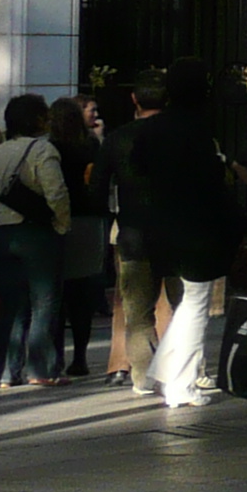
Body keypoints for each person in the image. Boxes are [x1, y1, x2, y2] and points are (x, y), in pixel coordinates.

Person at [125, 59, 238, 409]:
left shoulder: (152, 129)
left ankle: (167, 371)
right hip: (196, 227)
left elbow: (137, 170)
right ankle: (181, 384)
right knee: (194, 303)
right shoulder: (198, 128)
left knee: (190, 301)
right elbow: (211, 181)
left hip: (159, 225)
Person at [0, 93, 70, 387]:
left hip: (0, 234)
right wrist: (61, 224)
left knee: (11, 304)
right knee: (43, 302)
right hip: (35, 233)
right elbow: (55, 191)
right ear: (38, 120)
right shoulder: (43, 150)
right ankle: (40, 368)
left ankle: (6, 371)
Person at [104, 74, 169, 390]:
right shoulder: (183, 135)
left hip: (133, 233)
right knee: (184, 307)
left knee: (137, 313)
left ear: (134, 100)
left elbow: (96, 188)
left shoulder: (117, 138)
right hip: (177, 233)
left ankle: (143, 377)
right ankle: (181, 370)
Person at [48, 96, 109, 380]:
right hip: (89, 218)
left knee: (56, 294)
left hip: (58, 220)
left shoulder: (49, 147)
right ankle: (81, 357)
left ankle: (56, 356)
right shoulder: (91, 144)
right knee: (82, 292)